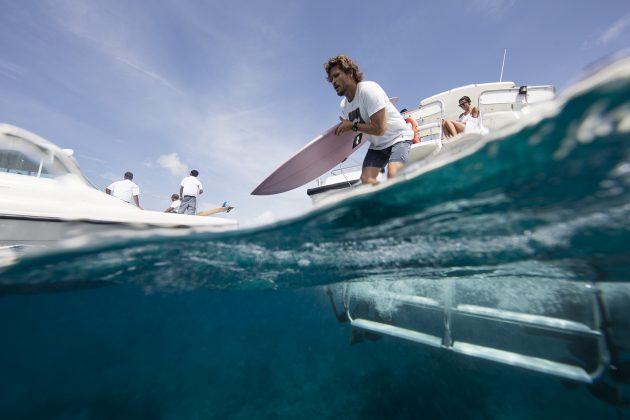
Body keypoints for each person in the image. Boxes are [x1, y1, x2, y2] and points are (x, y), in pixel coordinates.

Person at [325, 55, 414, 185]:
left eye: (337, 75)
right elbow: (356, 130)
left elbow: (379, 129)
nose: (333, 81)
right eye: (331, 78)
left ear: (350, 73)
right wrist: (344, 152)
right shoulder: (344, 105)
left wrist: (353, 126)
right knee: (367, 182)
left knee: (393, 174)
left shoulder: (368, 90)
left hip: (398, 138)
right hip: (377, 147)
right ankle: (386, 203)